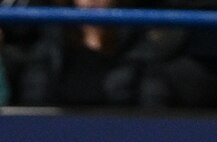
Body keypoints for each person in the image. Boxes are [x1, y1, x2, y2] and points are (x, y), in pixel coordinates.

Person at [17, 0, 150, 108]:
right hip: (58, 129)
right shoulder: (54, 40)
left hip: (119, 128)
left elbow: (152, 100)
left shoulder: (133, 41)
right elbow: (35, 94)